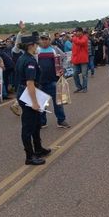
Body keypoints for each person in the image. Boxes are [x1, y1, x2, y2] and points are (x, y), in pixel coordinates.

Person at [15, 35, 50, 166]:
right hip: (28, 94)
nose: (37, 46)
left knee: (36, 124)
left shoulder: (23, 58)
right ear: (31, 46)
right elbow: (30, 83)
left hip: (25, 92)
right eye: (36, 44)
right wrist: (35, 102)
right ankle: (29, 156)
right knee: (28, 127)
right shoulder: (29, 61)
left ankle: (38, 149)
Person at [37, 32, 70, 128]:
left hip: (53, 80)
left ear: (49, 40)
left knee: (58, 102)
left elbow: (64, 57)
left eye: (46, 39)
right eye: (42, 39)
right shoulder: (37, 50)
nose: (44, 41)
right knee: (42, 103)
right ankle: (42, 122)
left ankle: (61, 120)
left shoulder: (54, 49)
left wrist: (63, 68)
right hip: (40, 82)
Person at [71, 27, 89, 93]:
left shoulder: (85, 38)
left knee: (84, 74)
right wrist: (72, 58)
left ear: (81, 32)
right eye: (76, 31)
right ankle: (79, 87)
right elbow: (73, 50)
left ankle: (85, 87)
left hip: (83, 60)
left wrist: (73, 38)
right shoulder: (75, 38)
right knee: (74, 74)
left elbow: (80, 42)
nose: (77, 33)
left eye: (78, 31)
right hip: (76, 60)